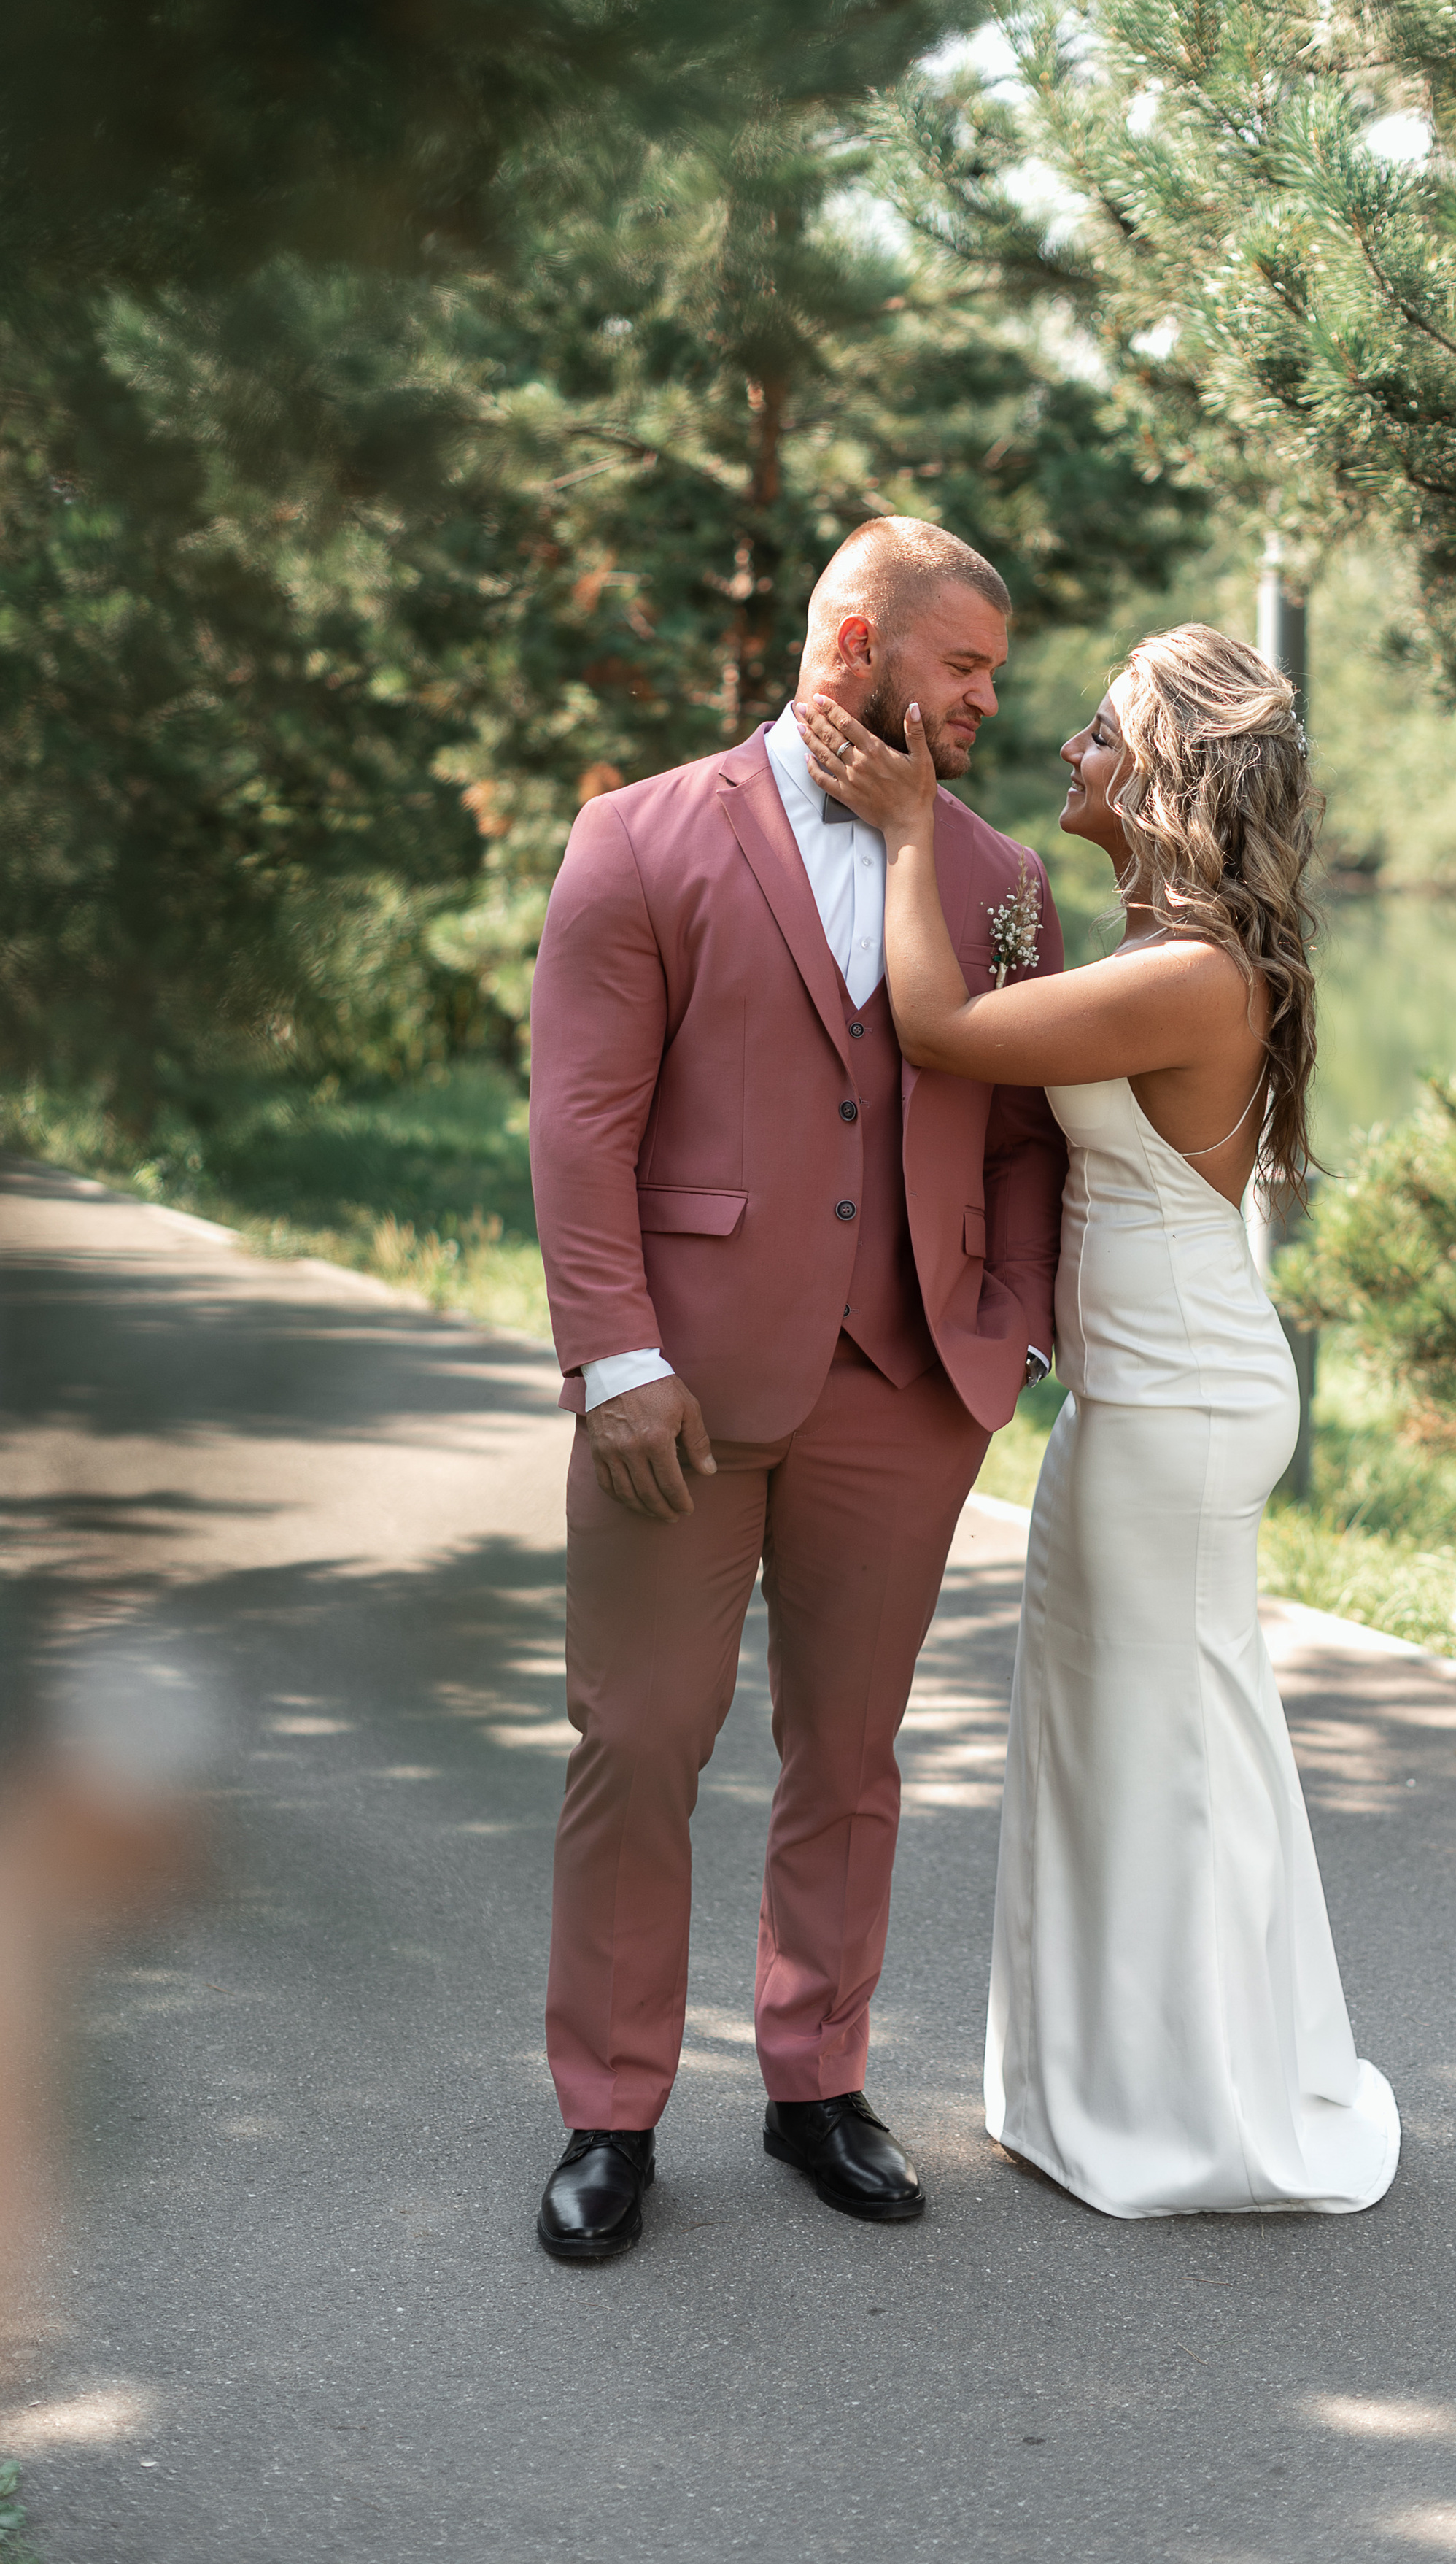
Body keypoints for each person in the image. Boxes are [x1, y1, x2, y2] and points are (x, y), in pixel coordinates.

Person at [801, 624, 1399, 2220]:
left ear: (1162, 774)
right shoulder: (1158, 952)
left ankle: (1198, 2108)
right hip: (1141, 1385)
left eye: (1095, 731)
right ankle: (1112, 2086)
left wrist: (913, 834)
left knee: (1170, 1748)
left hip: (1180, 1394)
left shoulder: (1189, 976)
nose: (1066, 750)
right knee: (1116, 1736)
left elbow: (936, 1034)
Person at [525, 517, 1067, 2260]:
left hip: (902, 1387)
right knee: (637, 1743)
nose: (990, 698)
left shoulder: (1000, 884)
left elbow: (1032, 1145)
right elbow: (582, 1123)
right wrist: (614, 1358)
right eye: (963, 664)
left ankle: (814, 2080)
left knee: (849, 1754)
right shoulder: (638, 837)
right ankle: (610, 2114)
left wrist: (1006, 1334)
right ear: (856, 645)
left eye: (993, 669)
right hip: (669, 1388)